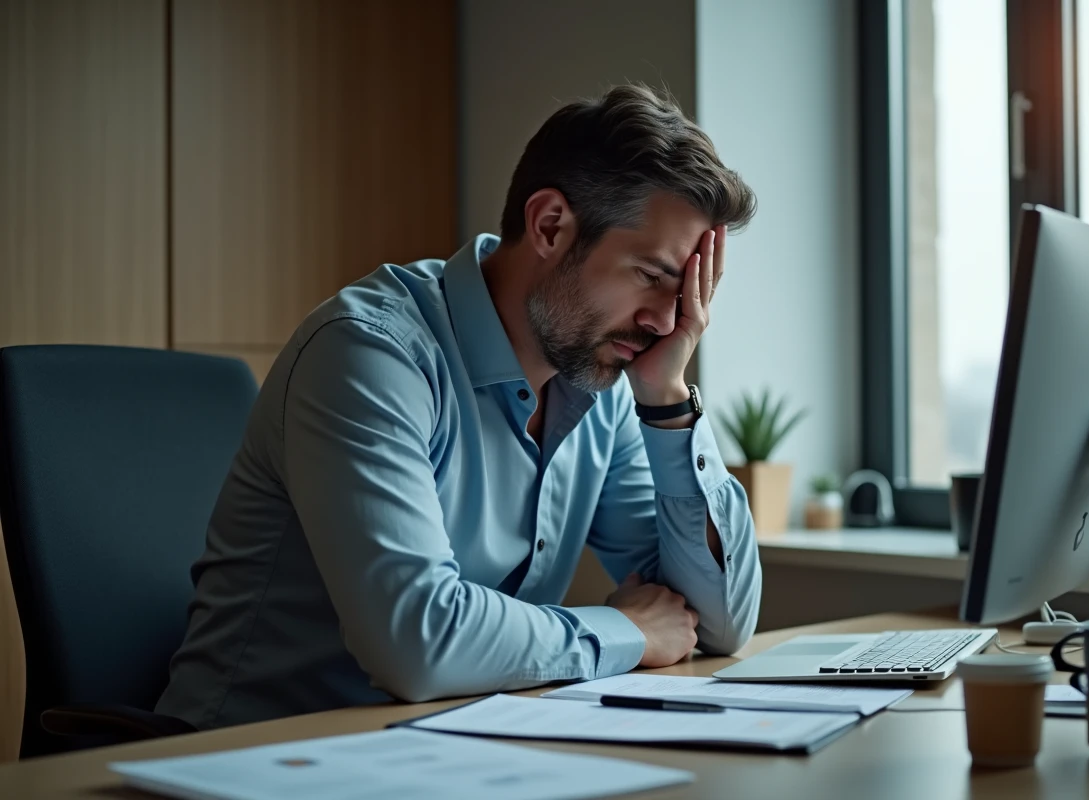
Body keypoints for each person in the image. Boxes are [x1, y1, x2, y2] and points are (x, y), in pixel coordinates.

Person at [156, 84, 763, 730]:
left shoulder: (603, 386)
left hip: (446, 756)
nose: (669, 321)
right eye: (651, 276)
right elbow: (415, 644)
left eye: (688, 294)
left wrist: (667, 401)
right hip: (245, 761)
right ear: (550, 225)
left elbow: (719, 624)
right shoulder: (371, 355)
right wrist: (624, 631)